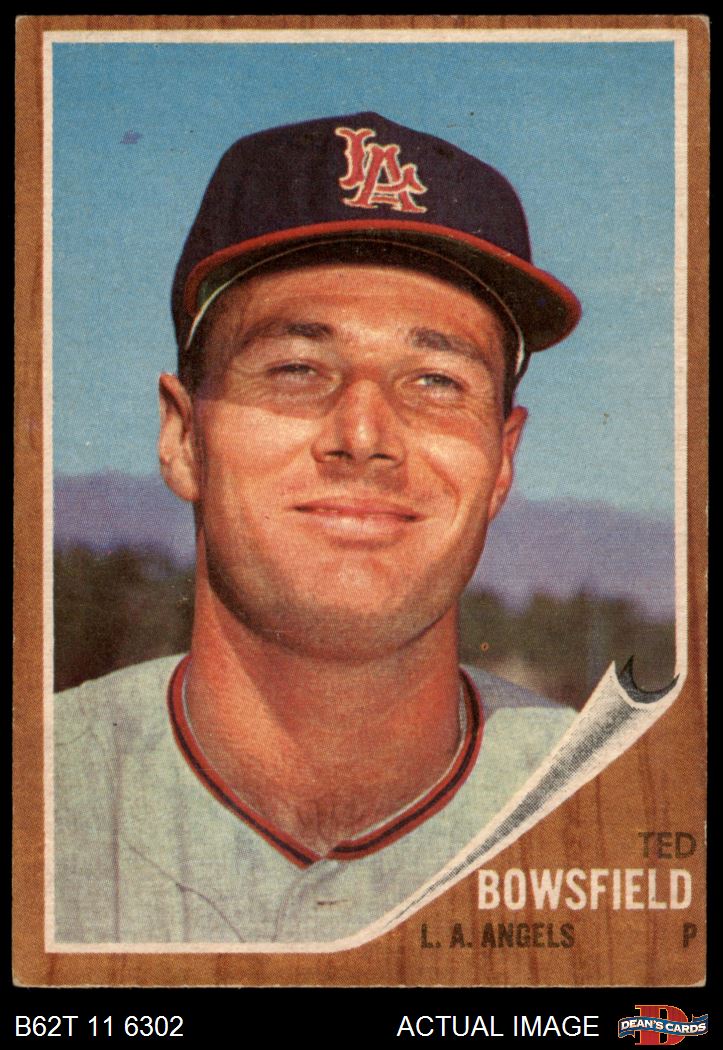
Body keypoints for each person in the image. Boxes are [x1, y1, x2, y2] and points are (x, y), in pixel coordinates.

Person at [54, 112, 582, 945]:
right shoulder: (40, 787)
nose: (364, 435)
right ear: (183, 437)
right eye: (296, 368)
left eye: (436, 380)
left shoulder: (624, 802)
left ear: (501, 462)